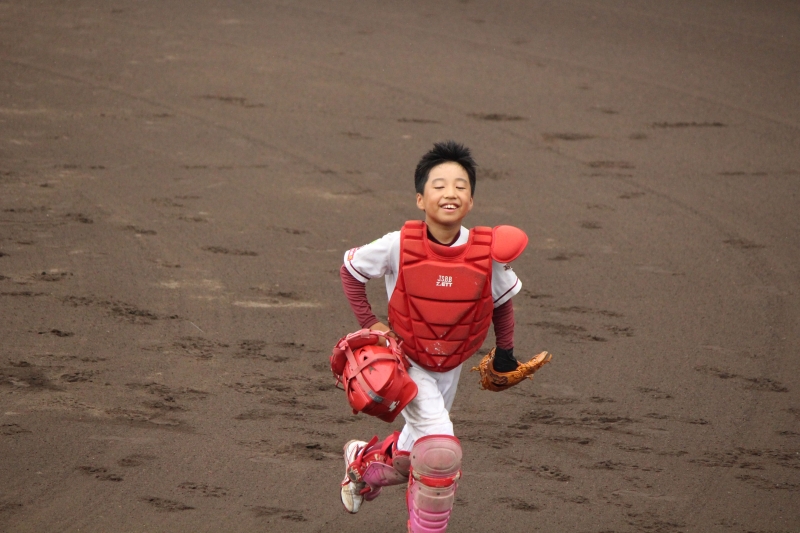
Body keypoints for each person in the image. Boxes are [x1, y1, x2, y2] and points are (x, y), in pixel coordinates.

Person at [337, 140, 530, 532]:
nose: (450, 193)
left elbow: (502, 303)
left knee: (413, 456)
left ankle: (362, 464)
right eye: (439, 185)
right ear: (420, 199)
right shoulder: (397, 244)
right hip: (407, 362)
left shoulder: (485, 252)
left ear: (471, 201)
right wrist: (371, 323)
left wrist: (505, 351)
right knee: (440, 452)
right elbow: (351, 270)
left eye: (460, 186)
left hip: (450, 365)